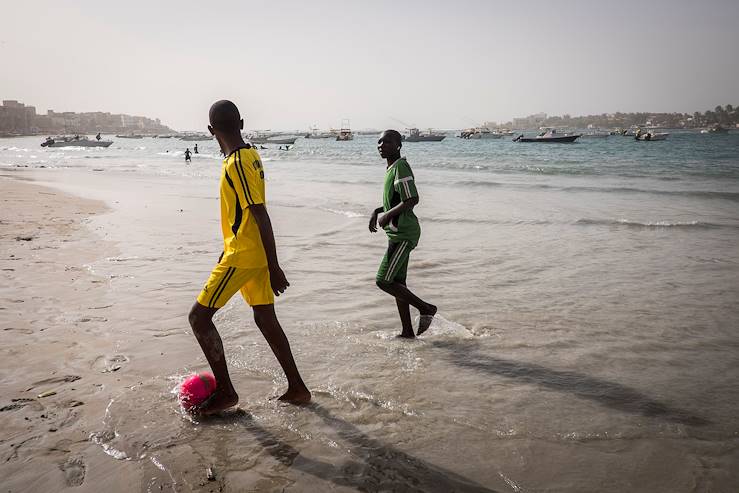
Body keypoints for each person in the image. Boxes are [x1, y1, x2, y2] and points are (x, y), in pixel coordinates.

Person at [188, 100, 311, 414]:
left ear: (210, 131)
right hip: (245, 252)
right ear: (241, 123)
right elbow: (240, 216)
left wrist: (274, 266)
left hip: (245, 256)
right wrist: (225, 254)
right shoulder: (250, 155)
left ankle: (226, 392)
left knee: (199, 318)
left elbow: (259, 212)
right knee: (265, 317)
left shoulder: (238, 162)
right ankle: (297, 388)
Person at [369, 130, 436, 338]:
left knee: (383, 280)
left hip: (404, 234)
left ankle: (426, 308)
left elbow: (412, 199)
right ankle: (407, 331)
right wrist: (378, 211)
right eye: (379, 142)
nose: (381, 145)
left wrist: (387, 215)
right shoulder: (390, 169)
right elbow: (397, 199)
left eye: (387, 141)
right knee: (398, 283)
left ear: (398, 145)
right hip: (396, 233)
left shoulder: (401, 166)